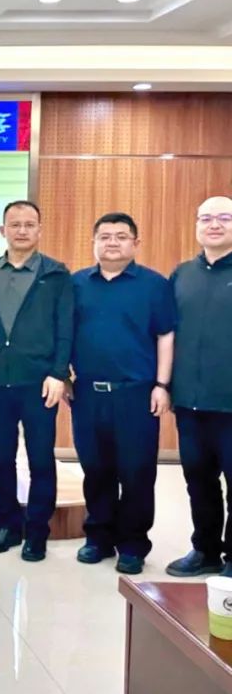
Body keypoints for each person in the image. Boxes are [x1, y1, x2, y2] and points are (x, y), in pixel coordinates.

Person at [70, 211, 175, 575]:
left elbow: (165, 335)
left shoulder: (154, 285)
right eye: (105, 236)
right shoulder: (76, 284)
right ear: (94, 242)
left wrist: (162, 385)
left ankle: (132, 544)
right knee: (95, 468)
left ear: (135, 243)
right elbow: (63, 333)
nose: (112, 242)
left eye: (120, 236)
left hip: (136, 393)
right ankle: (98, 537)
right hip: (87, 393)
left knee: (136, 471)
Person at [0, 201, 73, 562]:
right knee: (1, 459)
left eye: (29, 224)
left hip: (39, 383)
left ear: (39, 230)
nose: (22, 230)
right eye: (15, 224)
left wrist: (59, 373)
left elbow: (65, 327)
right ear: (2, 230)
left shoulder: (56, 274)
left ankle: (37, 532)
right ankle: (7, 525)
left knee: (40, 460)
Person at [166, 196, 232, 577]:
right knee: (198, 481)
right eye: (206, 218)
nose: (214, 225)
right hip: (190, 403)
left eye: (224, 218)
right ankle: (205, 550)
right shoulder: (182, 274)